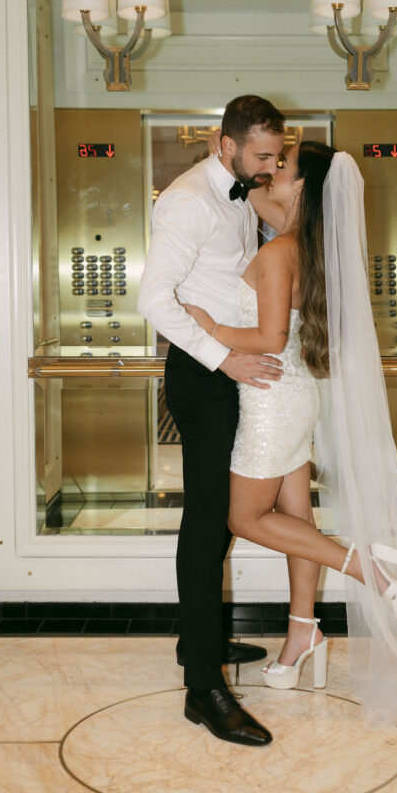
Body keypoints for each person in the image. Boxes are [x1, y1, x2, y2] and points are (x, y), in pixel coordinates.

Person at [185, 138, 397, 727]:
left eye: (282, 167)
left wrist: (206, 326)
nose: (272, 171)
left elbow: (268, 339)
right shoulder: (308, 241)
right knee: (296, 521)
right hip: (296, 394)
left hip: (271, 398)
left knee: (245, 519)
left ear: (302, 189)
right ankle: (301, 636)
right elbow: (254, 195)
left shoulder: (282, 249)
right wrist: (226, 160)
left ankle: (367, 569)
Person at [137, 94, 287, 748]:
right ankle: (204, 688)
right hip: (202, 376)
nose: (269, 166)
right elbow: (152, 299)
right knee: (205, 525)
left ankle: (195, 641)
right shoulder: (186, 201)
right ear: (224, 145)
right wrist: (224, 357)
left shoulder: (235, 193)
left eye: (276, 157)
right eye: (260, 156)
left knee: (219, 520)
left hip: (226, 366)